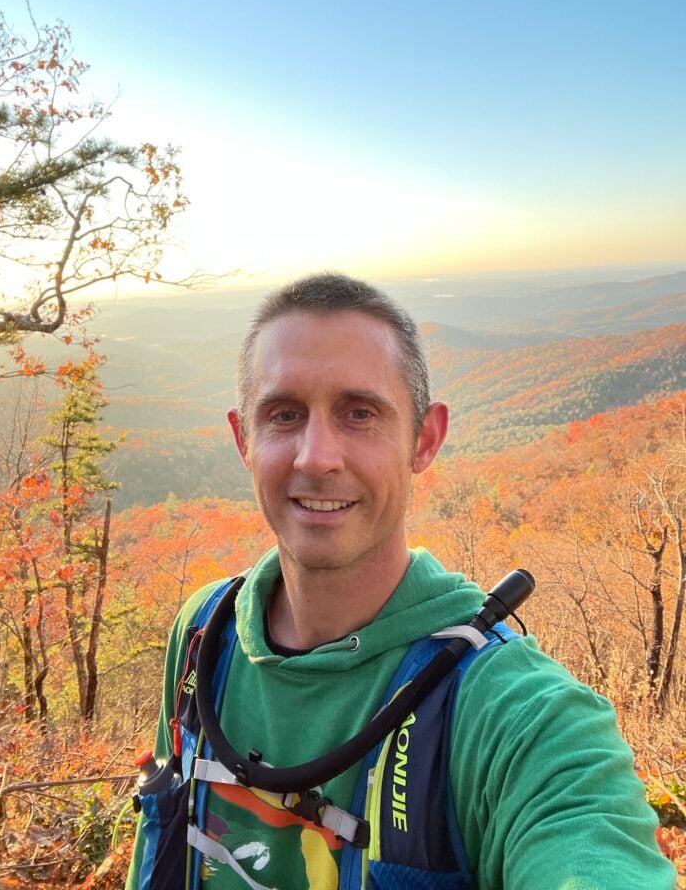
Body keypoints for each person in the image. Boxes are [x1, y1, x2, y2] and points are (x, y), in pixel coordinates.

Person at [126, 272, 675, 890]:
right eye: (284, 414)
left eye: (360, 413)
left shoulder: (514, 716)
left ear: (425, 438)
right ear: (242, 439)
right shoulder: (205, 631)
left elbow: (588, 840)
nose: (316, 456)